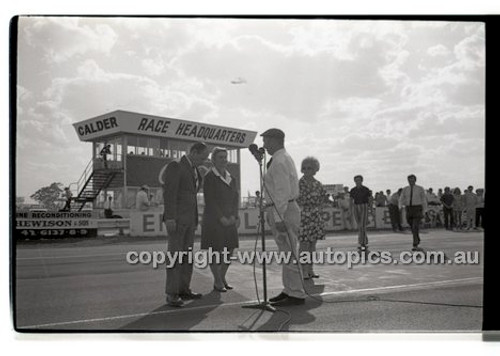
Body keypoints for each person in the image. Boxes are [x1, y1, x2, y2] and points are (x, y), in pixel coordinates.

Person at [262, 128, 306, 306]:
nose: (264, 145)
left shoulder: (279, 161)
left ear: (275, 140)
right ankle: (290, 289)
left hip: (284, 209)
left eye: (266, 141)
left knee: (289, 253)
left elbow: (282, 192)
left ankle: (296, 293)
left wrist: (279, 218)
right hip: (283, 208)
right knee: (286, 253)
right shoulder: (282, 158)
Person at [163, 142, 210, 307]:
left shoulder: (195, 170)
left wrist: (195, 220)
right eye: (203, 157)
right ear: (194, 152)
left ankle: (184, 289)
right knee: (175, 257)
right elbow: (169, 194)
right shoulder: (176, 166)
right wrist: (170, 218)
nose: (204, 161)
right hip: (177, 221)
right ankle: (172, 293)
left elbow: (192, 198)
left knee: (187, 257)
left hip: (190, 221)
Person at [201, 147, 240, 292]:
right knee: (216, 251)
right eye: (220, 157)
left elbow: (235, 199)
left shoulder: (232, 178)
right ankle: (217, 281)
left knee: (229, 250)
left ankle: (222, 277)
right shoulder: (209, 177)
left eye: (225, 157)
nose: (224, 160)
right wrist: (221, 217)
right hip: (214, 220)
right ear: (213, 160)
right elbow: (210, 200)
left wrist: (234, 216)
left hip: (229, 220)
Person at [296, 156, 326, 280]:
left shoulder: (318, 184)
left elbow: (322, 201)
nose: (307, 170)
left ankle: (310, 269)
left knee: (312, 245)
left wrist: (319, 212)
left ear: (315, 169)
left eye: (310, 168)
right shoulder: (298, 184)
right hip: (302, 216)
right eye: (305, 168)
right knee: (303, 245)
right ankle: (303, 270)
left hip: (315, 216)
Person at [399, 174, 427, 251]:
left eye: (412, 180)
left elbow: (424, 199)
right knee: (411, 225)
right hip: (409, 208)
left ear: (415, 180)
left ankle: (415, 243)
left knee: (415, 225)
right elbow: (401, 198)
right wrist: (400, 206)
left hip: (417, 208)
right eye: (409, 180)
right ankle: (417, 237)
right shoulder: (405, 189)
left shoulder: (420, 188)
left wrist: (425, 210)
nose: (410, 181)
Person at [349, 175, 372, 251]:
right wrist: (350, 209)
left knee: (362, 225)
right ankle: (363, 240)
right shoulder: (353, 190)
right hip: (356, 206)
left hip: (364, 206)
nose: (357, 181)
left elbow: (370, 199)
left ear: (362, 180)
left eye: (359, 180)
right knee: (360, 225)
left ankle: (363, 242)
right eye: (356, 180)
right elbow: (351, 200)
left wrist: (371, 209)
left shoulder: (366, 189)